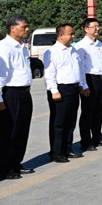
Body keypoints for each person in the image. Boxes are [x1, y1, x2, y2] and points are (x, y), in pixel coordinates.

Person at [0, 15, 35, 178]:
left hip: (24, 93)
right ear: (12, 28)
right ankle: (5, 169)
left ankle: (16, 163)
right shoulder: (3, 47)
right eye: (24, 26)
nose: (27, 29)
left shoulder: (22, 47)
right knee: (7, 133)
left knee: (22, 131)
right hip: (9, 94)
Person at [43, 24, 87, 163]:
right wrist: (54, 91)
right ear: (61, 35)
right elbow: (49, 73)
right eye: (70, 34)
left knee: (70, 121)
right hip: (60, 90)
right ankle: (56, 152)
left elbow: (79, 70)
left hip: (73, 89)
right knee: (59, 123)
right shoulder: (52, 52)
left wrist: (81, 85)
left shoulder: (73, 50)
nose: (73, 36)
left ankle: (67, 148)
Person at [76, 17, 102, 153]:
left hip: (101, 79)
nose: (97, 29)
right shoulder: (81, 46)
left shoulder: (101, 45)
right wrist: (83, 85)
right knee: (88, 111)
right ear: (86, 29)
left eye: (98, 26)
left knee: (99, 110)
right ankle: (85, 141)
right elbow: (80, 68)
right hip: (89, 79)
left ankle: (97, 136)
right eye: (94, 26)